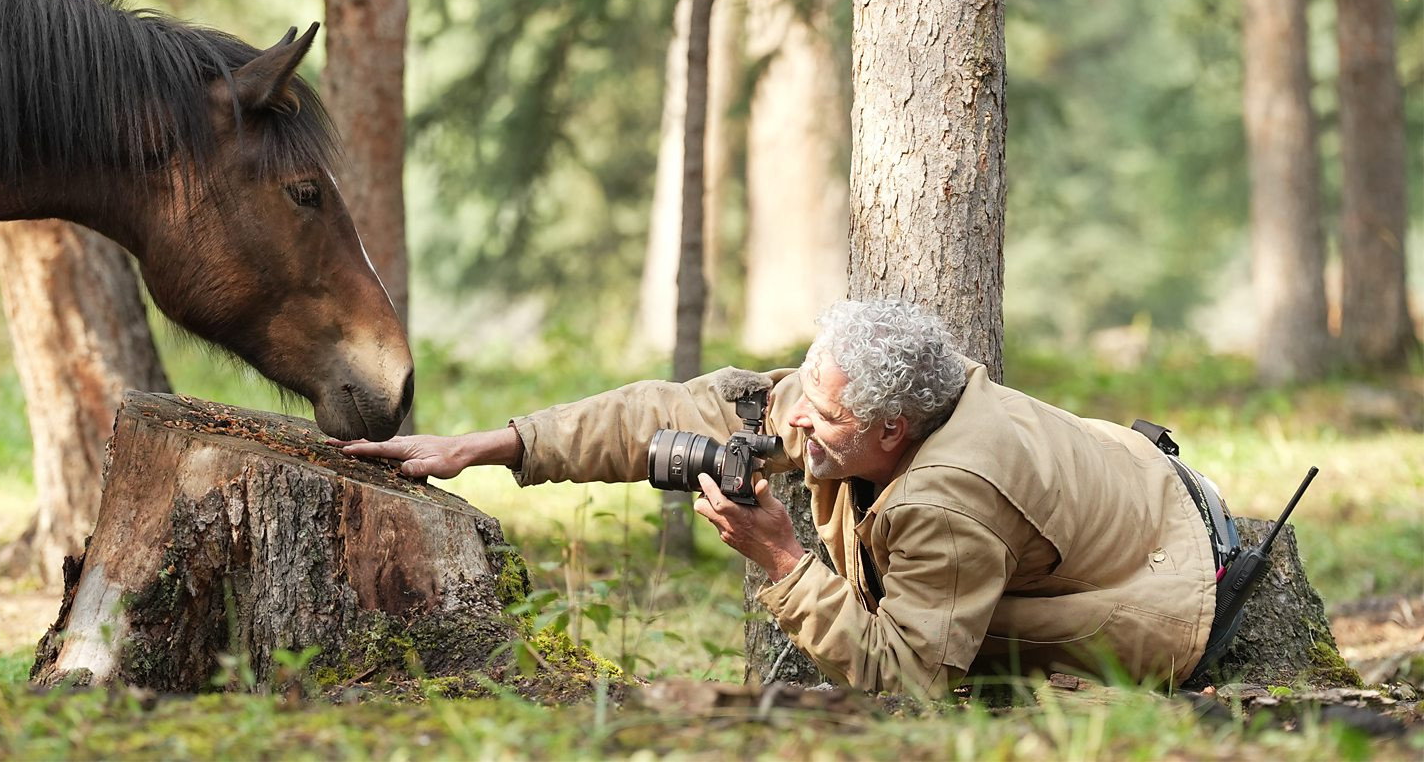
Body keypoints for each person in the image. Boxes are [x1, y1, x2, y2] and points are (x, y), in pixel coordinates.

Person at [333, 299, 1227, 696]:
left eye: (822, 417)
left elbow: (908, 680)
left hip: (1160, 585)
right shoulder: (852, 401)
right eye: (798, 391)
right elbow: (672, 411)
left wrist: (785, 562)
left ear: (890, 434)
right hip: (1124, 487)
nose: (789, 422)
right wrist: (490, 445)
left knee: (969, 657)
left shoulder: (945, 503)